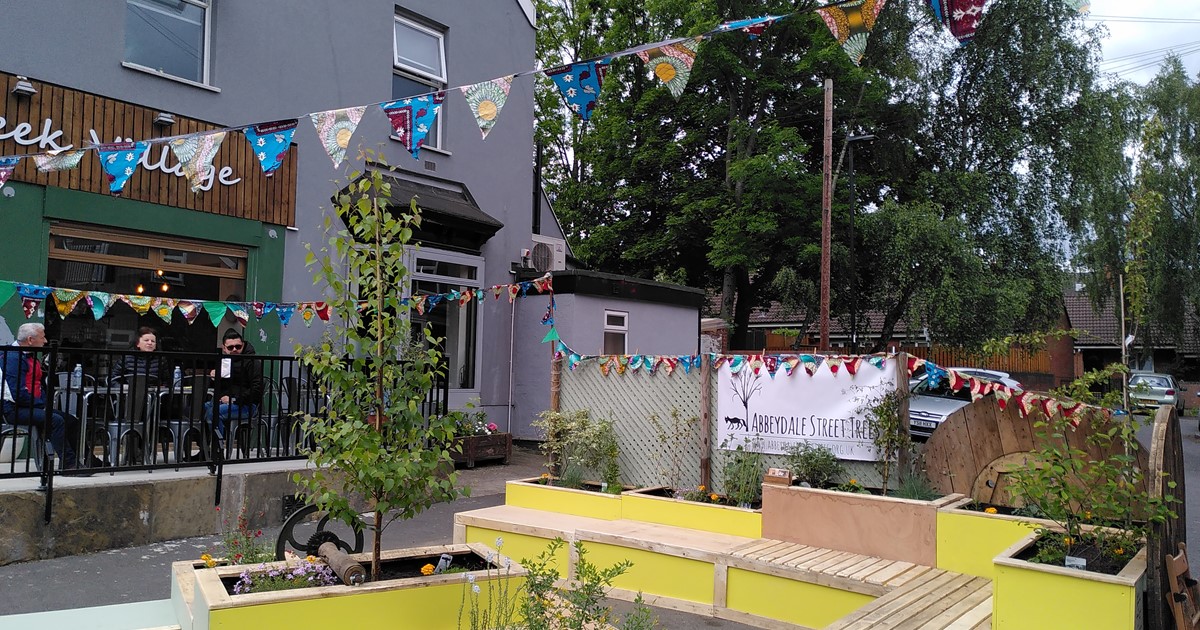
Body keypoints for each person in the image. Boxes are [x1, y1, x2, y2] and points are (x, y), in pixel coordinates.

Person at [1, 323, 86, 472]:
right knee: (56, 420)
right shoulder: (13, 358)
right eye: (42, 337)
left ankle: (87, 460)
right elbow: (17, 394)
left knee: (72, 421)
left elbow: (38, 385)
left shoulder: (28, 356)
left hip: (29, 405)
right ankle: (69, 464)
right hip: (13, 409)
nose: (45, 341)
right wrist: (42, 404)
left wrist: (42, 403)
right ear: (30, 340)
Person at [205, 329, 263, 440]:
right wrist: (214, 377)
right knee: (197, 411)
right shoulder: (225, 361)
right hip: (225, 402)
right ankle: (204, 449)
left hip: (246, 405)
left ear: (243, 345)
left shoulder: (252, 361)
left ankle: (218, 449)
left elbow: (256, 389)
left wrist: (234, 399)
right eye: (230, 347)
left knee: (213, 412)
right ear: (224, 348)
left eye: (238, 346)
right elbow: (224, 387)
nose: (235, 349)